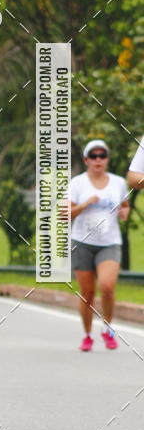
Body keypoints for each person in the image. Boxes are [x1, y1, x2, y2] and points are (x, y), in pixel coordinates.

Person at [70, 139, 130, 351]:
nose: (98, 160)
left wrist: (124, 213)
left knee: (107, 286)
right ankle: (87, 335)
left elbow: (124, 206)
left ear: (107, 160)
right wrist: (86, 204)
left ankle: (108, 329)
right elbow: (66, 214)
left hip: (109, 242)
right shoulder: (77, 183)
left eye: (102, 156)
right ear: (86, 160)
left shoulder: (118, 183)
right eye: (93, 156)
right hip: (82, 242)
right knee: (87, 294)